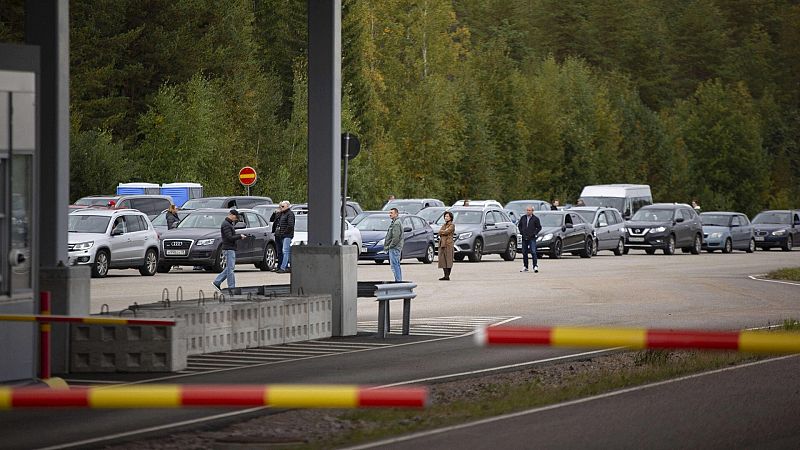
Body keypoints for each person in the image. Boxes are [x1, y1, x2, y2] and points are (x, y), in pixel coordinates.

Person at [213, 209, 247, 292]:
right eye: (235, 217)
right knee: (230, 269)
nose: (236, 219)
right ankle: (231, 287)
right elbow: (229, 237)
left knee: (229, 268)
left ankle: (217, 282)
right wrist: (239, 236)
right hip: (228, 248)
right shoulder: (226, 225)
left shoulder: (229, 224)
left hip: (230, 248)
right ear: (231, 215)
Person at [518, 206, 542, 273]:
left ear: (532, 211)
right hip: (524, 237)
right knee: (524, 252)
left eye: (529, 210)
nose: (528, 211)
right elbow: (519, 225)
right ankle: (525, 266)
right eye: (527, 210)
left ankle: (535, 266)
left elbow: (539, 227)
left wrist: (534, 233)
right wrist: (521, 232)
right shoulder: (523, 218)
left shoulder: (535, 219)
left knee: (533, 252)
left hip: (532, 238)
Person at [274, 201, 295, 273]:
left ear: (287, 206)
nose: (281, 208)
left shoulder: (290, 214)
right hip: (281, 235)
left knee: (285, 251)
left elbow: (290, 225)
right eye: (281, 206)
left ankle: (283, 267)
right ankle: (285, 266)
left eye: (283, 206)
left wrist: (284, 232)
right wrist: (276, 212)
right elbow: (274, 220)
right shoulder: (282, 214)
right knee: (282, 251)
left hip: (287, 235)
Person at [385, 207, 404, 282]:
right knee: (396, 265)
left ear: (396, 214)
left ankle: (398, 281)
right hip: (395, 247)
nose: (390, 214)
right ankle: (398, 280)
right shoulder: (395, 222)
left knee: (395, 265)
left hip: (395, 248)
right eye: (389, 213)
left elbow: (396, 237)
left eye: (391, 213)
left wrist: (390, 246)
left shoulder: (396, 223)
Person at [437, 211, 455, 281]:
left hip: (448, 244)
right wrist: (442, 232)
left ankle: (447, 275)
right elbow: (439, 232)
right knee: (442, 260)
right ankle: (445, 275)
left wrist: (442, 232)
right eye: (445, 216)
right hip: (442, 244)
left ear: (450, 217)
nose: (446, 218)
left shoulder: (452, 225)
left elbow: (447, 231)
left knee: (448, 260)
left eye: (447, 216)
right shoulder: (444, 225)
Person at [269, 206, 283, 271]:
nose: (280, 208)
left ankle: (283, 265)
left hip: (283, 234)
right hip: (277, 234)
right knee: (278, 250)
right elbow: (271, 220)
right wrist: (274, 213)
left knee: (283, 251)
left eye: (282, 207)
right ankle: (279, 265)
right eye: (279, 207)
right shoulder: (277, 214)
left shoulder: (285, 214)